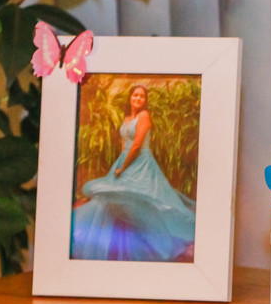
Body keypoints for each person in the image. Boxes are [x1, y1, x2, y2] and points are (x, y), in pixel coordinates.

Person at [71, 84, 197, 262]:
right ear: (130, 98)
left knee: (140, 201)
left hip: (141, 163)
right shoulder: (128, 118)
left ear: (145, 101)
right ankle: (121, 245)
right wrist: (120, 163)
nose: (138, 98)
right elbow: (125, 143)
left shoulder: (144, 116)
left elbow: (137, 145)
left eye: (141, 96)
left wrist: (123, 167)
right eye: (135, 95)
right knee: (118, 201)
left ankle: (150, 244)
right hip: (125, 159)